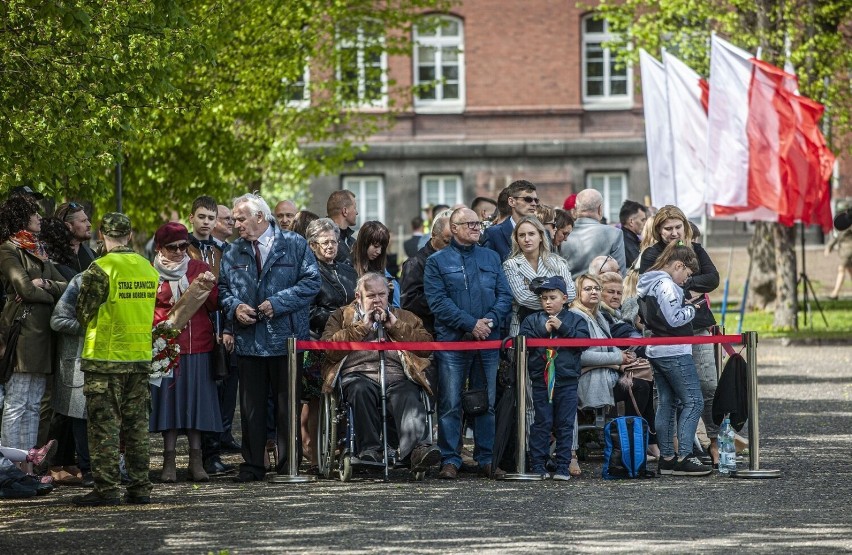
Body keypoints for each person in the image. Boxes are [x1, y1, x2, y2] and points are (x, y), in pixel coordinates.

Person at [219, 193, 321, 482]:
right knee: (251, 409)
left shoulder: (294, 244)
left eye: (241, 218)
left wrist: (278, 303)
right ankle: (253, 465)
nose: (235, 223)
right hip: (249, 340)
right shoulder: (233, 250)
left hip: (286, 340)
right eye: (235, 219)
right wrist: (235, 307)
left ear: (260, 217)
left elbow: (312, 282)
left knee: (287, 406)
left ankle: (289, 465)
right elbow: (223, 289)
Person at [73, 212, 159, 506]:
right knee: (137, 427)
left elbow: (83, 313)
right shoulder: (147, 268)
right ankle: (140, 488)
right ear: (130, 235)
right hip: (139, 358)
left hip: (105, 359)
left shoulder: (100, 268)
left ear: (101, 234)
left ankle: (107, 489)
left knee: (104, 427)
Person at [424, 207, 513, 479]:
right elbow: (438, 303)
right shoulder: (437, 262)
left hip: (487, 340)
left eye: (479, 224)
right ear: (453, 228)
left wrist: (488, 322)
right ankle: (450, 459)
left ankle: (486, 458)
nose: (477, 228)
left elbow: (504, 296)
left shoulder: (491, 257)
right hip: (453, 342)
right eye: (470, 224)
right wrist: (469, 324)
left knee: (485, 400)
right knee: (450, 401)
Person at [321, 273, 441, 471]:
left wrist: (395, 326)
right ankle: (369, 450)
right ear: (358, 296)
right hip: (357, 373)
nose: (377, 300)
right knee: (360, 390)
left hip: (396, 375)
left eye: (382, 295)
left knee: (408, 393)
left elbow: (426, 347)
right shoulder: (341, 316)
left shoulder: (404, 316)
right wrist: (362, 327)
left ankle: (416, 451)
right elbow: (329, 349)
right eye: (371, 296)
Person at [638, 205, 720, 464]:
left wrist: (687, 283)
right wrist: (684, 288)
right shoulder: (651, 254)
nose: (674, 233)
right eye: (668, 228)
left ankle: (715, 441)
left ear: (685, 227)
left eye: (678, 227)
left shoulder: (696, 249)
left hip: (698, 325)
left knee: (708, 385)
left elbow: (712, 279)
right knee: (667, 396)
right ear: (658, 230)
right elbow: (649, 291)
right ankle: (674, 450)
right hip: (664, 331)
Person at [149, 223, 222, 483]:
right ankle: (168, 461)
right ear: (160, 248)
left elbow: (214, 305)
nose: (180, 251)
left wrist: (210, 285)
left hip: (199, 345)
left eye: (183, 246)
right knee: (169, 406)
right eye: (172, 247)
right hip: (165, 347)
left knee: (196, 405)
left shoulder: (199, 268)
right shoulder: (149, 272)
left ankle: (196, 460)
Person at [0, 194, 67, 476]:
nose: (40, 218)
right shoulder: (8, 249)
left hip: (43, 334)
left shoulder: (38, 249)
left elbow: (64, 284)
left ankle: (27, 465)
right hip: (24, 334)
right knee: (17, 402)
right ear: (21, 218)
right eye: (34, 214)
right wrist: (42, 291)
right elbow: (24, 289)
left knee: (33, 402)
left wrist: (45, 285)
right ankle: (9, 466)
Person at [519, 276, 589, 480]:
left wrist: (563, 328)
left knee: (565, 423)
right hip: (542, 380)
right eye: (544, 298)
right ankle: (538, 464)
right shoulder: (532, 321)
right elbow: (524, 344)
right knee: (542, 421)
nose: (548, 302)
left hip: (566, 380)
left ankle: (562, 466)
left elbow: (584, 343)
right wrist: (544, 331)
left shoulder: (576, 320)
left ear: (565, 298)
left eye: (552, 297)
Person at [569, 273, 637, 475]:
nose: (593, 292)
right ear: (578, 292)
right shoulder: (576, 316)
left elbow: (607, 349)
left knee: (643, 382)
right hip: (588, 378)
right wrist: (618, 360)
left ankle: (636, 442)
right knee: (638, 386)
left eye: (596, 288)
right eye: (588, 289)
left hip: (606, 372)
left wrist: (624, 358)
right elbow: (581, 356)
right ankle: (626, 442)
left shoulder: (598, 316)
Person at [303, 217, 357, 474]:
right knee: (316, 398)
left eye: (334, 241)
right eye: (324, 242)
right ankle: (313, 456)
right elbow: (309, 310)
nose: (330, 246)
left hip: (352, 339)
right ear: (312, 245)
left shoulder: (348, 270)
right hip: (319, 339)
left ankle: (351, 447)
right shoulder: (307, 272)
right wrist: (339, 319)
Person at [598, 273, 659, 459]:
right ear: (600, 293)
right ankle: (635, 445)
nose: (616, 296)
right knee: (640, 385)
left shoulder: (617, 315)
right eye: (610, 292)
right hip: (603, 375)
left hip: (623, 370)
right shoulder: (601, 316)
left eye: (619, 292)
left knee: (646, 383)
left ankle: (649, 443)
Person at [502, 216, 576, 335]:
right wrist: (556, 300)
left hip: (558, 324)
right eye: (522, 235)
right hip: (523, 324)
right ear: (516, 239)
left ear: (541, 236)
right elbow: (522, 298)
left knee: (555, 354)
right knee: (524, 353)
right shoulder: (511, 265)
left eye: (531, 234)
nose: (527, 239)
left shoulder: (558, 262)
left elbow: (572, 293)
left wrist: (546, 300)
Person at [400, 210, 453, 336]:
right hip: (429, 332)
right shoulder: (416, 263)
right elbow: (408, 300)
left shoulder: (454, 257)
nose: (450, 247)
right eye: (446, 241)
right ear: (434, 235)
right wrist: (444, 303)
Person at [559, 188, 626, 276]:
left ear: (575, 208)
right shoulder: (614, 234)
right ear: (600, 209)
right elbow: (619, 274)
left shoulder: (561, 232)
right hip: (599, 288)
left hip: (566, 288)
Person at [482, 180, 540, 261]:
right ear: (511, 201)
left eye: (536, 200)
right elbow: (489, 268)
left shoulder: (543, 232)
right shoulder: (494, 234)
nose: (534, 204)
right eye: (528, 199)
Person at [351, 221, 400, 308]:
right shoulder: (348, 266)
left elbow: (396, 306)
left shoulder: (382, 270)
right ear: (364, 243)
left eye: (382, 248)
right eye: (376, 246)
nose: (379, 252)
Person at [55, 202, 95, 274]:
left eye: (87, 220)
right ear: (68, 226)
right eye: (83, 221)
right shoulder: (52, 256)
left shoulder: (91, 254)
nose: (89, 224)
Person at [825, 209, 852, 300]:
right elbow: (836, 237)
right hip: (844, 252)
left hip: (849, 252)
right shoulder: (843, 225)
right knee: (850, 271)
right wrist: (829, 246)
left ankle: (835, 293)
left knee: (841, 269)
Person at [327, 190, 358, 262]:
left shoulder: (353, 242)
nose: (357, 212)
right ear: (345, 211)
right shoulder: (323, 240)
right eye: (354, 208)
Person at [619, 200, 648, 269]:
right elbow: (640, 266)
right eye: (642, 220)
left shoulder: (628, 238)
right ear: (631, 221)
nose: (645, 223)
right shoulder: (625, 241)